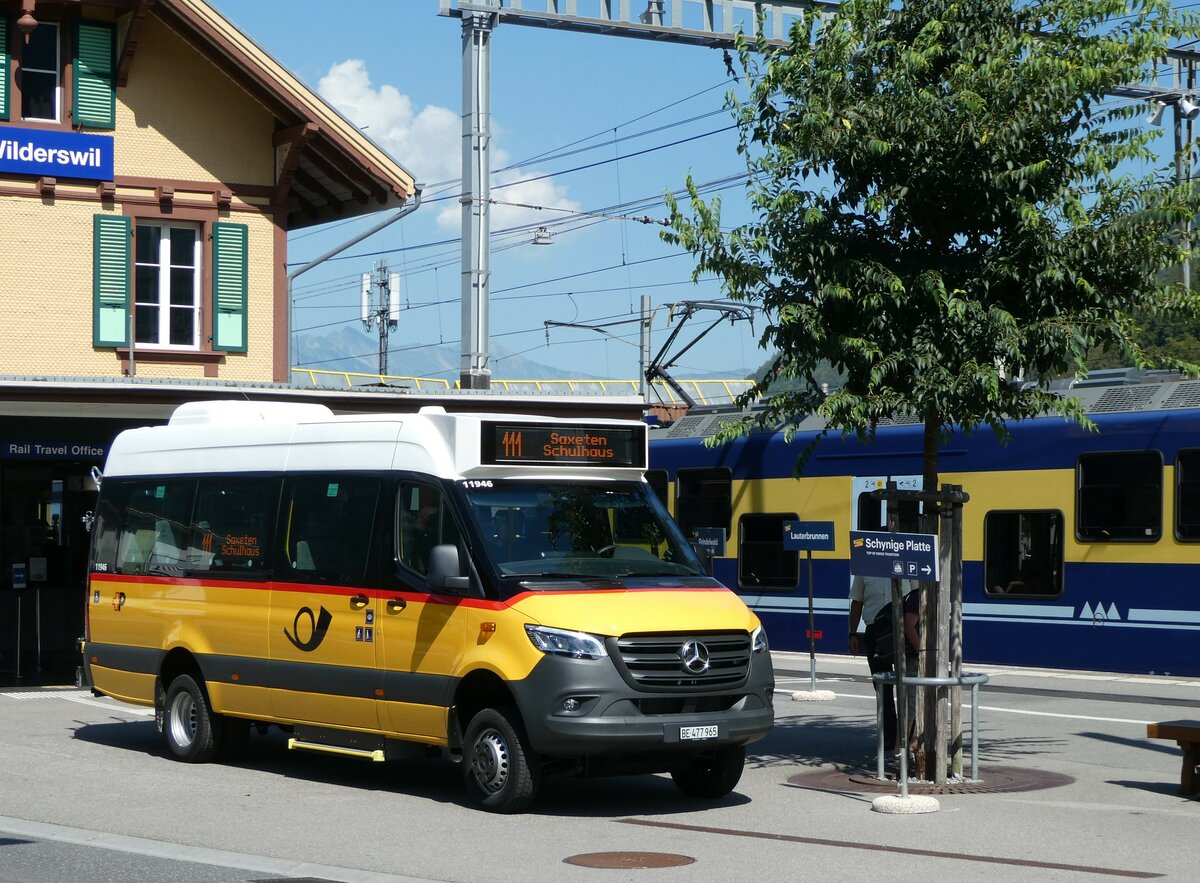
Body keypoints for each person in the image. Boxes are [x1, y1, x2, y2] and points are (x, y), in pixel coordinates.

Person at [848, 574, 912, 753]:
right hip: (875, 632)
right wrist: (852, 633)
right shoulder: (865, 570)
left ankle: (907, 737)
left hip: (902, 631)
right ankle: (889, 740)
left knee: (908, 686)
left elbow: (917, 595)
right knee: (882, 687)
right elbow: (857, 601)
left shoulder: (906, 564)